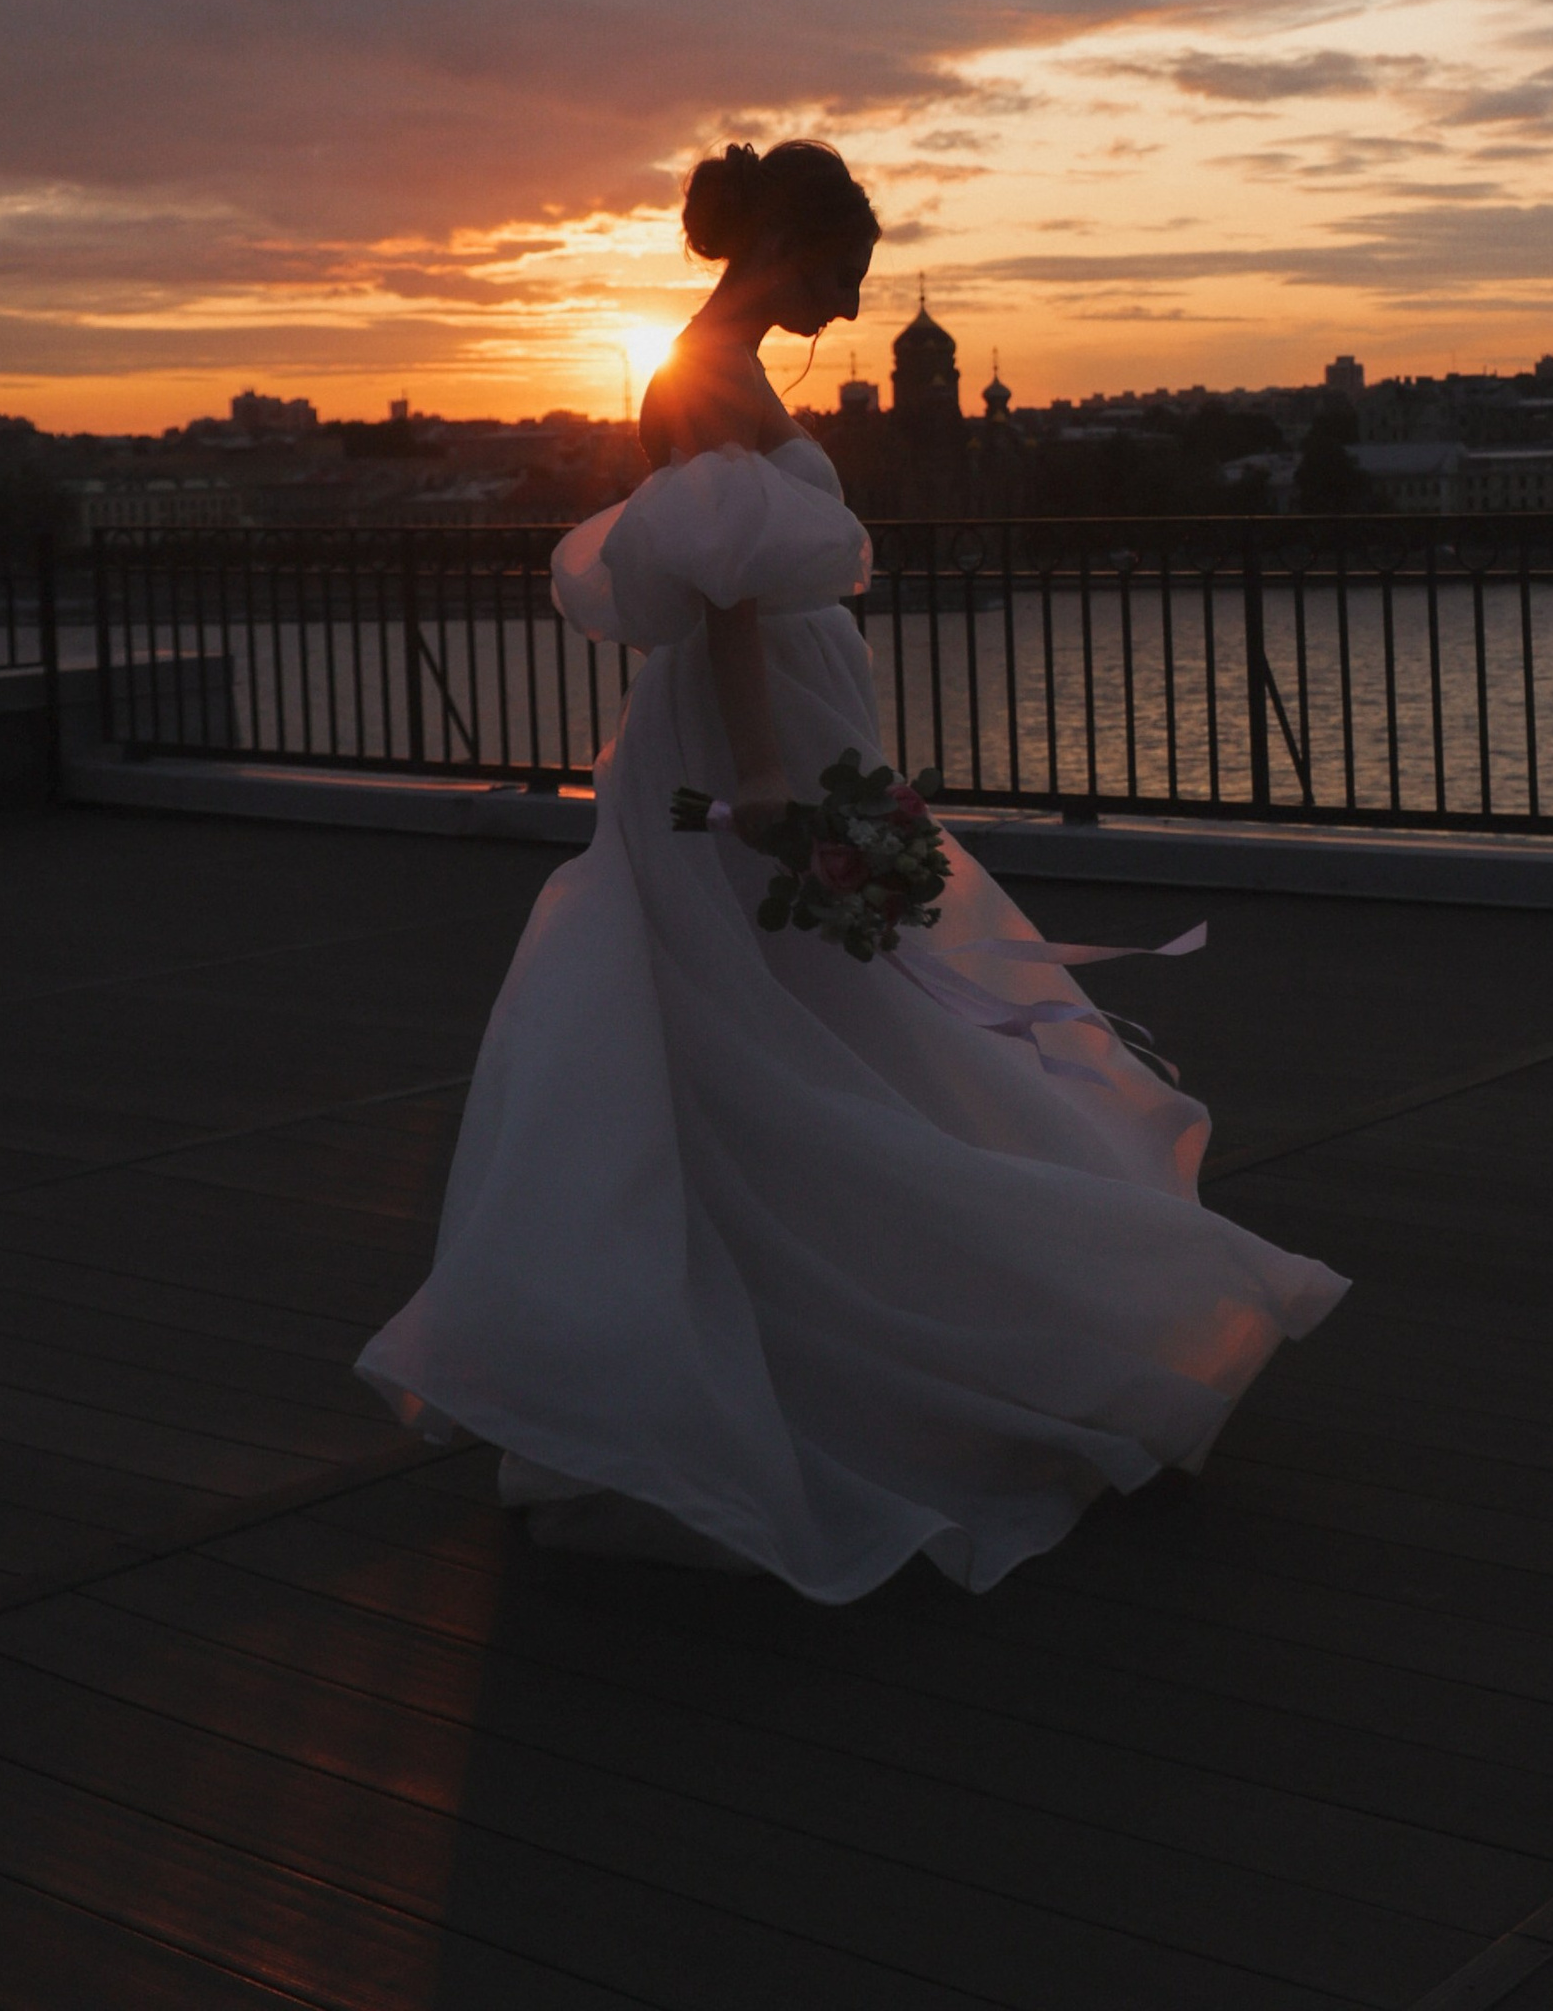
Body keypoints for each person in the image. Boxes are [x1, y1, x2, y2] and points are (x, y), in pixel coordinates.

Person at [358, 137, 1345, 1599]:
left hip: (774, 725)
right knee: (810, 1022)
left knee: (782, 1030)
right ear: (792, 247)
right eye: (848, 272)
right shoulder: (708, 374)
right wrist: (766, 778)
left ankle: (776, 1340)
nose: (856, 304)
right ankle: (910, 1342)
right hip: (748, 737)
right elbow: (734, 599)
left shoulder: (714, 365)